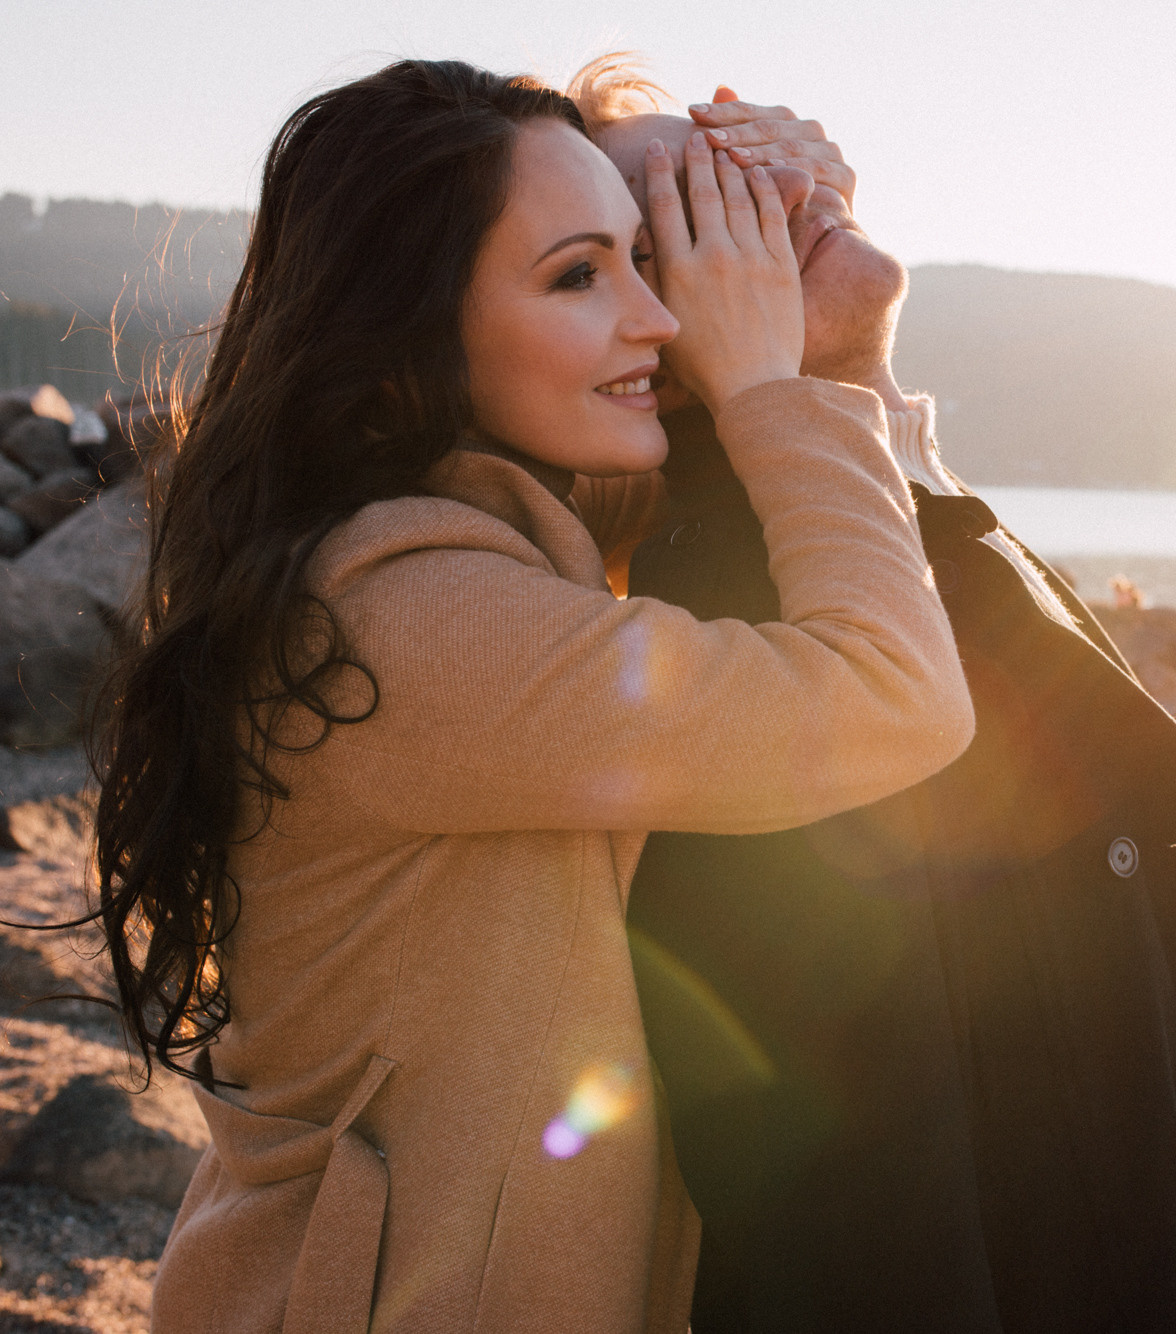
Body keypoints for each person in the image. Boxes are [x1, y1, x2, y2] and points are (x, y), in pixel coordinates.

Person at [90, 59, 973, 1332]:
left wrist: (814, 269)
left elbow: (828, 528)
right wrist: (779, 385)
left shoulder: (480, 541)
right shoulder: (408, 619)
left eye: (646, 256)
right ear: (408, 340)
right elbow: (894, 688)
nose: (657, 318)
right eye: (578, 276)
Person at [577, 62, 1176, 1332]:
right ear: (644, 334)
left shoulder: (909, 532)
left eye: (740, 147)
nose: (772, 184)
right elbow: (854, 1222)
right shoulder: (751, 635)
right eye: (702, 201)